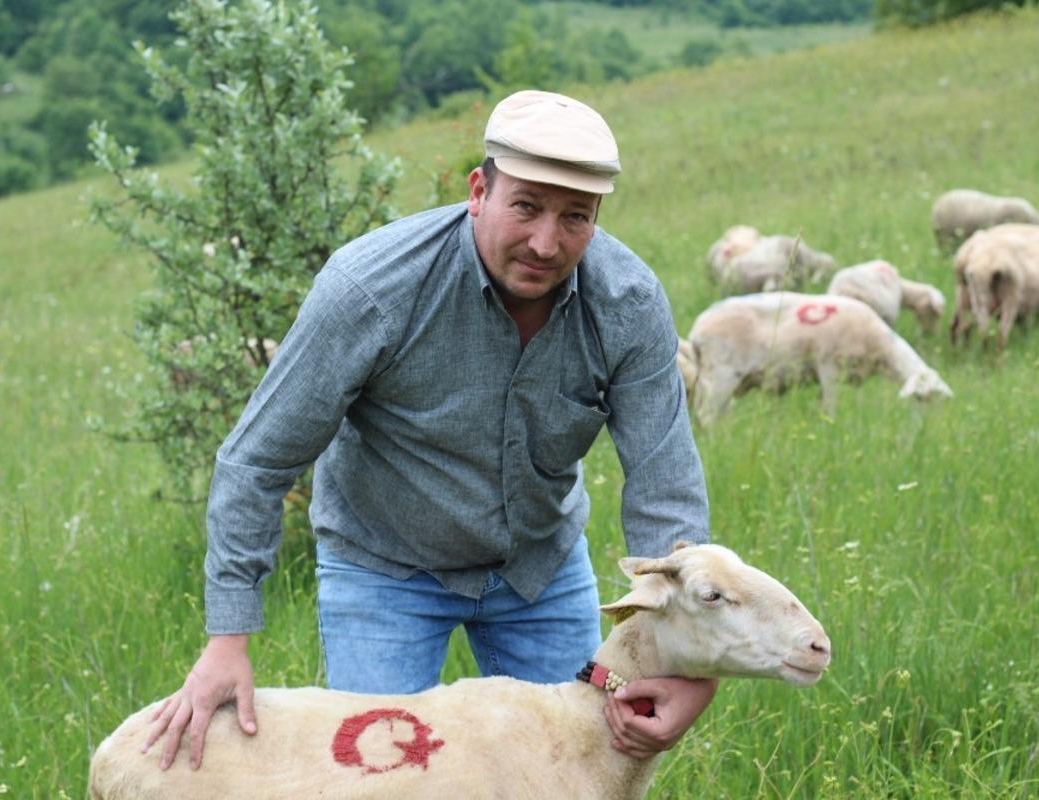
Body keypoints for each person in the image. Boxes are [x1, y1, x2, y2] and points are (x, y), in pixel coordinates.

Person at [143, 89, 715, 771]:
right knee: (381, 781)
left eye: (575, 218)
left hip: (539, 567)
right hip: (385, 569)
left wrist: (688, 663)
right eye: (526, 206)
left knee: (578, 768)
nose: (545, 242)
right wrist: (226, 641)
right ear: (479, 189)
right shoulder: (372, 290)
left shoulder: (628, 303)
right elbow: (256, 461)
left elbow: (664, 485)